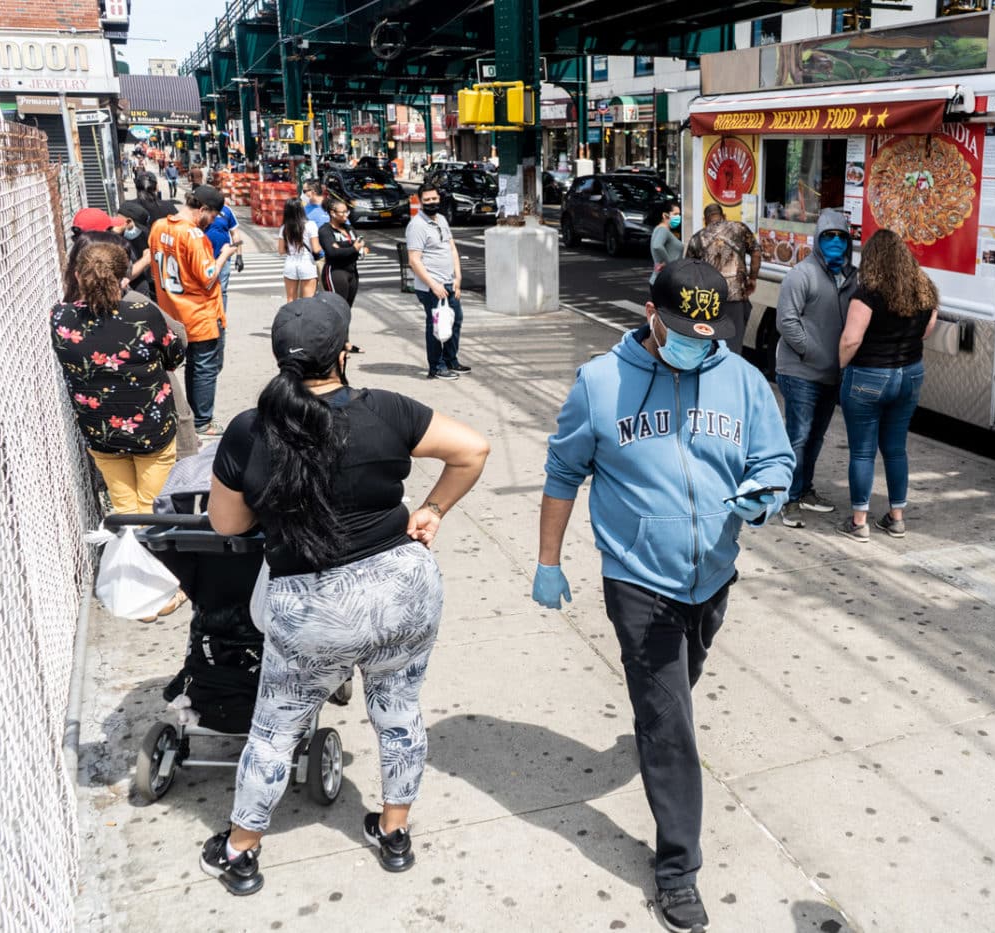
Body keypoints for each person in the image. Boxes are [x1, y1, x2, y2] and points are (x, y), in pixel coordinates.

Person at [534, 259, 794, 933]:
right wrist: (547, 562)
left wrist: (767, 494)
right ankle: (678, 868)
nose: (695, 348)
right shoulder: (600, 383)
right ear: (651, 313)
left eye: (707, 337)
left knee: (681, 685)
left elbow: (775, 459)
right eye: (682, 334)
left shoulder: (742, 380)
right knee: (670, 721)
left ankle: (656, 725)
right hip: (638, 580)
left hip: (713, 574)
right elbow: (563, 471)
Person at [201, 293, 490, 895]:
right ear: (343, 354)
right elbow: (473, 449)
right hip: (403, 591)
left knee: (275, 730)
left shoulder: (251, 430)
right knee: (399, 713)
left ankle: (241, 851)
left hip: (313, 610)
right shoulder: (386, 409)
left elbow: (227, 524)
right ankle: (394, 834)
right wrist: (433, 509)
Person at [52, 241, 185, 513]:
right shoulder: (143, 313)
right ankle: (149, 540)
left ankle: (129, 539)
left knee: (125, 507)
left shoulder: (61, 318)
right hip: (151, 425)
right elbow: (175, 356)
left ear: (77, 275)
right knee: (153, 506)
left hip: (101, 429)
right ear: (124, 277)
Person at [835, 229, 938, 540]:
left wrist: (841, 367)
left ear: (872, 259)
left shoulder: (867, 294)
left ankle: (859, 522)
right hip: (910, 374)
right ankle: (896, 518)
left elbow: (851, 340)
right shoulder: (925, 291)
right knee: (895, 449)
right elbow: (926, 330)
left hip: (869, 376)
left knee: (862, 452)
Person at [774, 209, 856, 528]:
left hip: (831, 374)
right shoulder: (801, 274)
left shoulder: (851, 277)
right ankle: (788, 498)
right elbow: (787, 322)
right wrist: (812, 352)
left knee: (816, 437)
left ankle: (804, 489)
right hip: (800, 372)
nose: (835, 241)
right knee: (798, 436)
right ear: (818, 239)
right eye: (828, 236)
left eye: (841, 236)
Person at [149, 184, 236, 437]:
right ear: (203, 209)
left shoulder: (159, 227)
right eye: (212, 216)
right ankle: (202, 421)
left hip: (172, 312)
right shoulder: (194, 236)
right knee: (205, 367)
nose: (212, 222)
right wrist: (224, 255)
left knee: (193, 367)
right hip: (199, 313)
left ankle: (192, 416)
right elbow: (208, 278)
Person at [405, 183, 467, 381]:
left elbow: (452, 248)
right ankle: (436, 367)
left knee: (455, 320)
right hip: (431, 286)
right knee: (437, 326)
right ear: (420, 201)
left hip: (449, 282)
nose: (432, 203)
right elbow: (414, 260)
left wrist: (458, 277)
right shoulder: (417, 226)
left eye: (434, 199)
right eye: (427, 200)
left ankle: (450, 360)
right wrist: (433, 285)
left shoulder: (441, 219)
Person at [685, 204, 762, 356]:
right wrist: (752, 278)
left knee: (710, 344)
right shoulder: (740, 228)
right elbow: (756, 252)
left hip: (709, 299)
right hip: (736, 297)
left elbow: (689, 270)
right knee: (733, 346)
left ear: (705, 220)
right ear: (724, 216)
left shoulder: (697, 238)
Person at [318, 197, 366, 306]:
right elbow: (333, 252)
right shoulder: (325, 230)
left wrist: (357, 249)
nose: (346, 215)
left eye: (347, 212)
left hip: (352, 271)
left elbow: (357, 244)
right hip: (336, 271)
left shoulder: (349, 228)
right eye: (342, 212)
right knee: (338, 307)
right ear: (332, 213)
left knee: (347, 308)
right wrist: (353, 248)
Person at [277, 197, 322, 301]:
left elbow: (281, 250)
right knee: (308, 300)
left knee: (291, 298)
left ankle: (290, 313)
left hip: (290, 263)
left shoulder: (284, 228)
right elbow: (316, 249)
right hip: (307, 263)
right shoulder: (311, 225)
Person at [203, 194, 241, 312]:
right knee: (205, 288)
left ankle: (221, 317)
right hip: (204, 256)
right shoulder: (202, 210)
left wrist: (239, 255)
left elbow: (235, 233)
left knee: (222, 290)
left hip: (224, 257)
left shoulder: (227, 211)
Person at [649, 201, 683, 285]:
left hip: (663, 279)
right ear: (665, 215)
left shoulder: (660, 229)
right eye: (675, 214)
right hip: (664, 280)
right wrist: (668, 263)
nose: (678, 217)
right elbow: (657, 246)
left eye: (679, 214)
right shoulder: (663, 230)